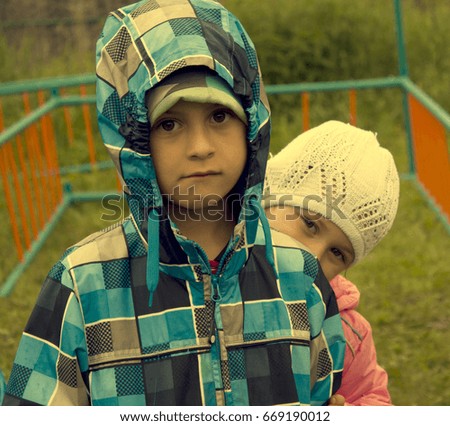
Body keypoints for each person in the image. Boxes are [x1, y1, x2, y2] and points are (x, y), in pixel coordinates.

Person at [3, 0, 345, 406]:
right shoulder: (82, 287)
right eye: (169, 123)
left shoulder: (300, 275)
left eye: (219, 116)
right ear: (135, 142)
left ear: (252, 122)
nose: (200, 147)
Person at [263, 120, 400, 406]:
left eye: (338, 253)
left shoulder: (348, 333)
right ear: (266, 199)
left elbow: (373, 397)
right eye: (310, 224)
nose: (312, 256)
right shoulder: (209, 278)